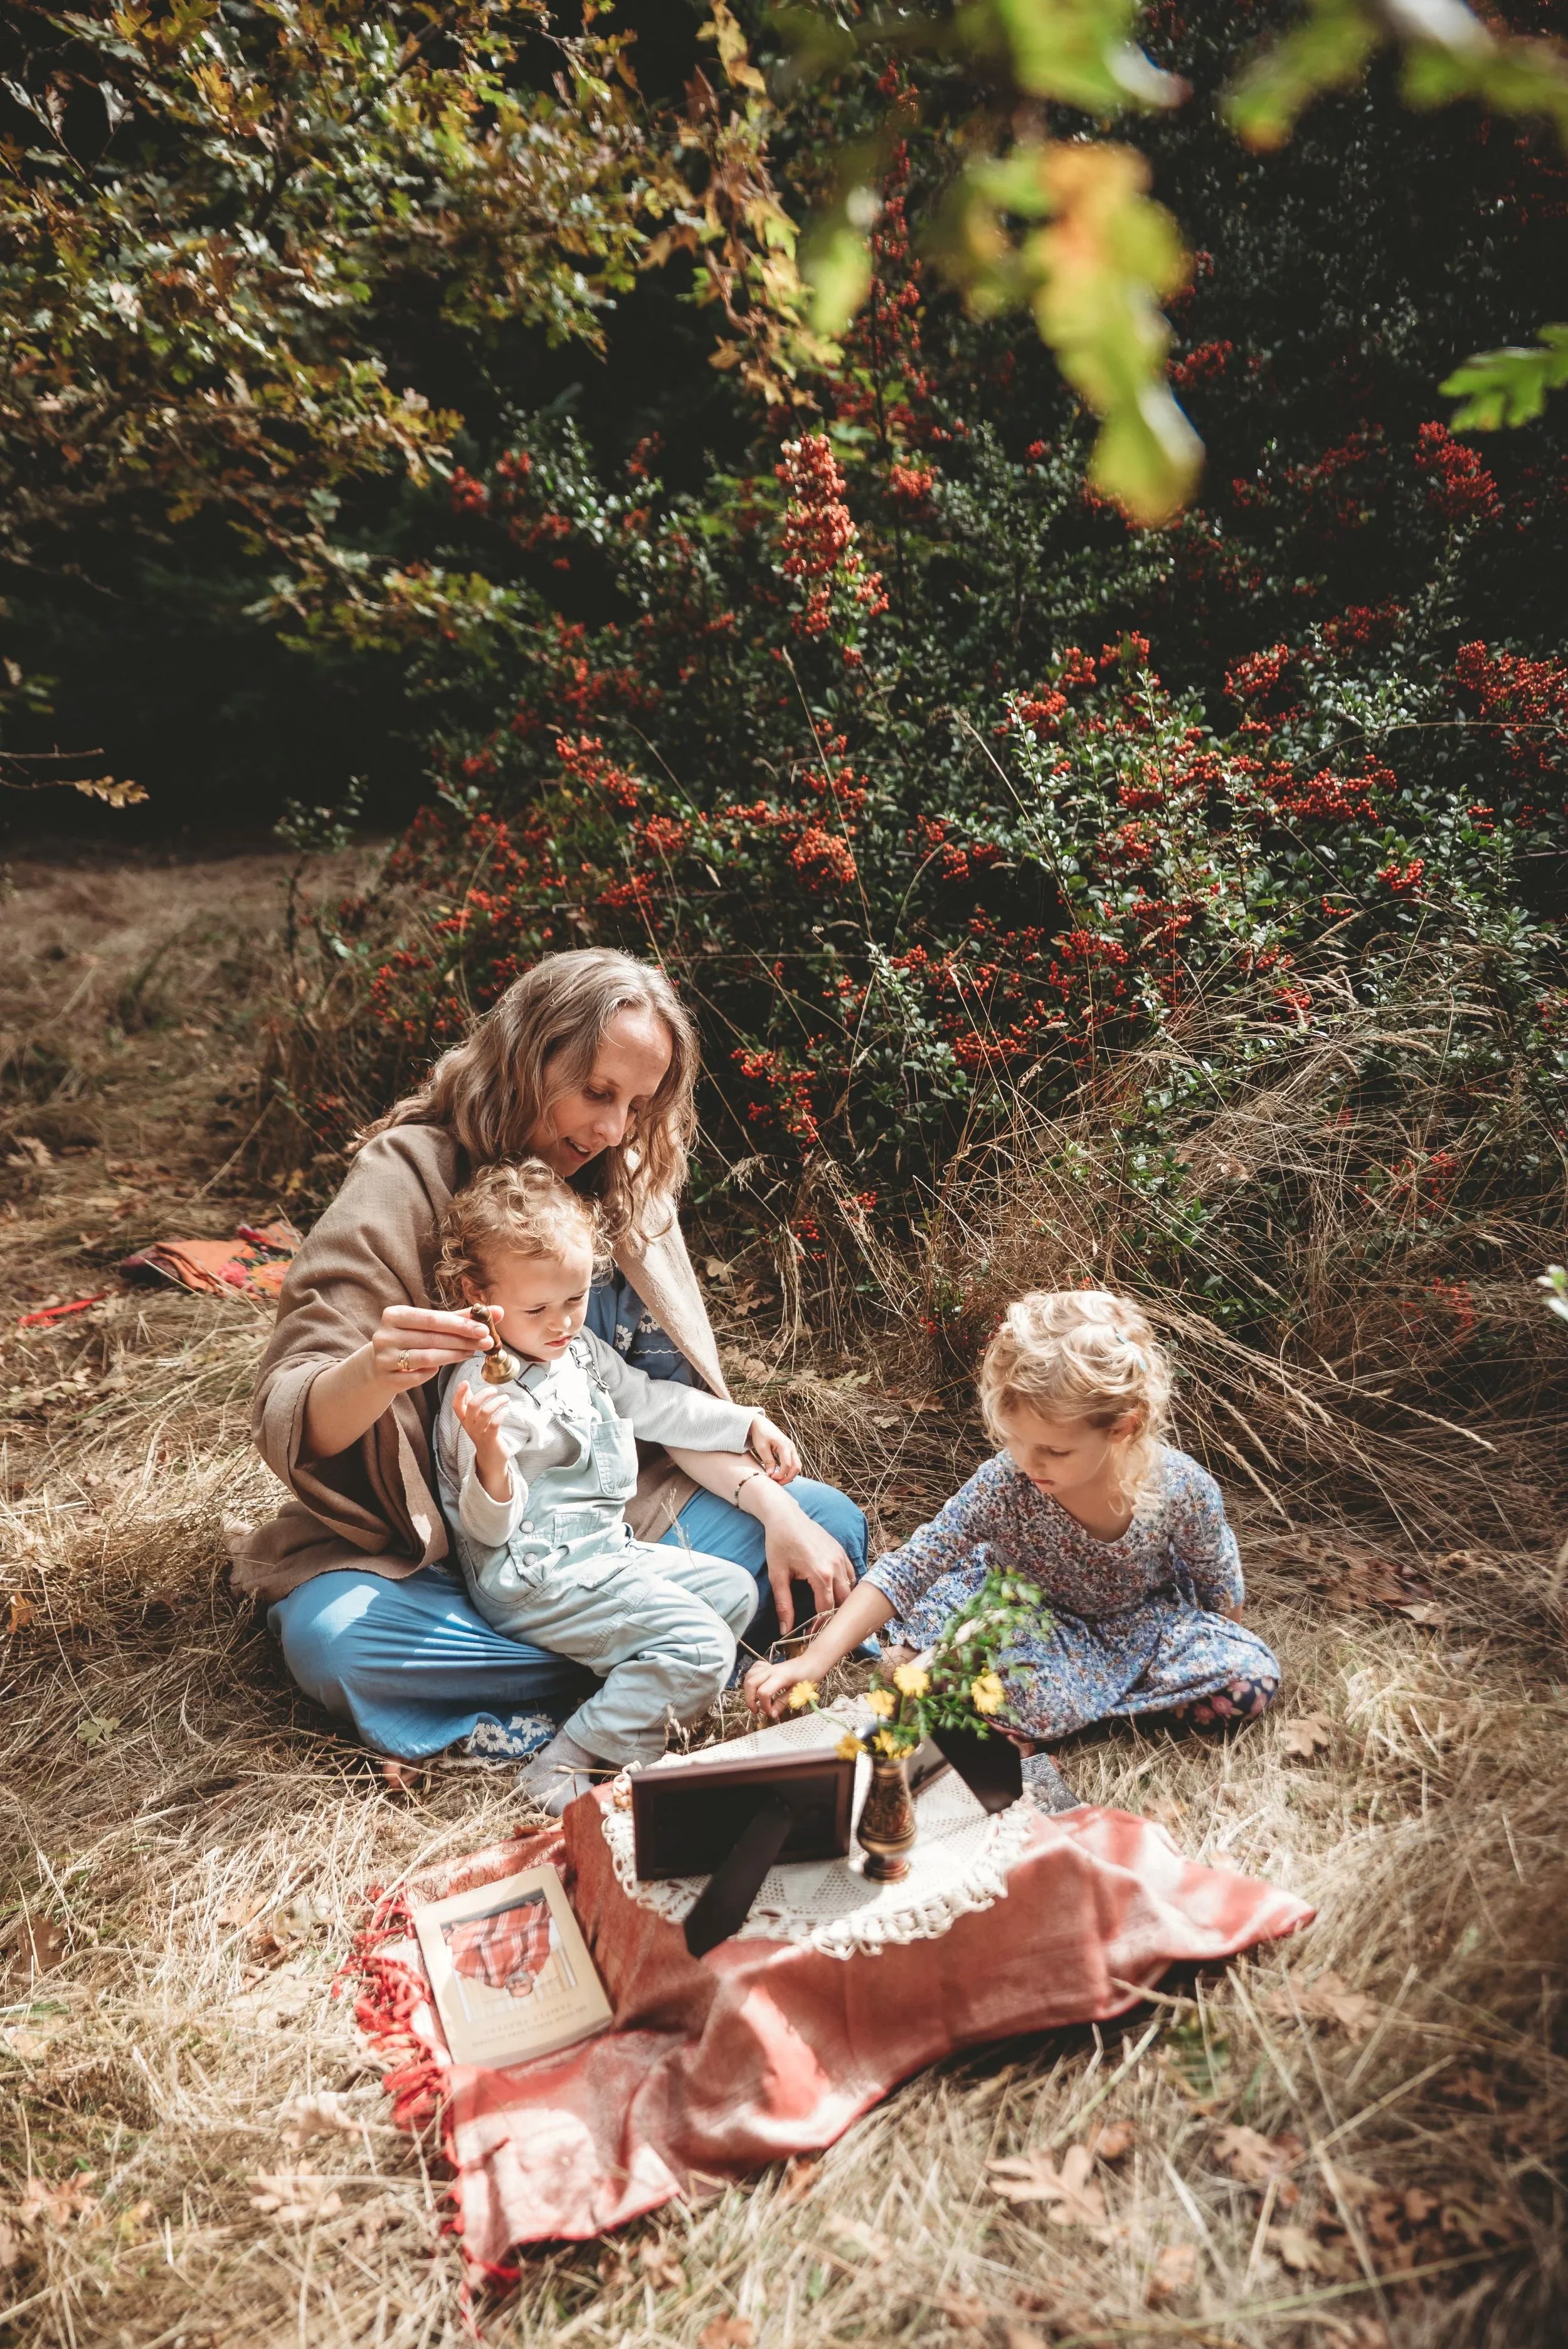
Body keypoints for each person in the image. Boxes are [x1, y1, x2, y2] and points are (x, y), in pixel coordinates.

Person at [230, 947, 866, 1768]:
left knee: (825, 1527)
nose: (613, 1129)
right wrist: (374, 1371)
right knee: (339, 1642)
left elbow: (655, 1403)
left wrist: (775, 1510)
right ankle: (656, 1666)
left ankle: (626, 1661)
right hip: (431, 1555)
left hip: (603, 1530)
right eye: (597, 1092)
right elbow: (290, 1412)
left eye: (637, 1104)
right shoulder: (405, 1178)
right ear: (526, 1058)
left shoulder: (626, 1183)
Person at [745, 1288, 1279, 1743]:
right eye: (1015, 1440)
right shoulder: (1007, 1482)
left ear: (1123, 1427)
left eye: (1054, 1450)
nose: (1030, 1462)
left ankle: (1034, 1709)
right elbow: (912, 1566)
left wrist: (1213, 1647)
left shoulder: (1179, 1487)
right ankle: (1009, 1694)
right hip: (1027, 1621)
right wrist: (814, 1662)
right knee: (1004, 1674)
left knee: (1249, 1679)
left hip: (1139, 1627)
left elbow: (1219, 1584)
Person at [433, 1161, 803, 1812]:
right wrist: (489, 1456)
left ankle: (631, 1713)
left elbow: (651, 1401)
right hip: (532, 1573)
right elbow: (488, 1529)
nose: (561, 1322)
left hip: (601, 1549)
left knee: (732, 1593)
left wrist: (743, 1422)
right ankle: (562, 1763)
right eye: (537, 1309)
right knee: (701, 1643)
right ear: (478, 1294)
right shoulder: (487, 1393)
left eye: (575, 1299)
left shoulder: (575, 1351)